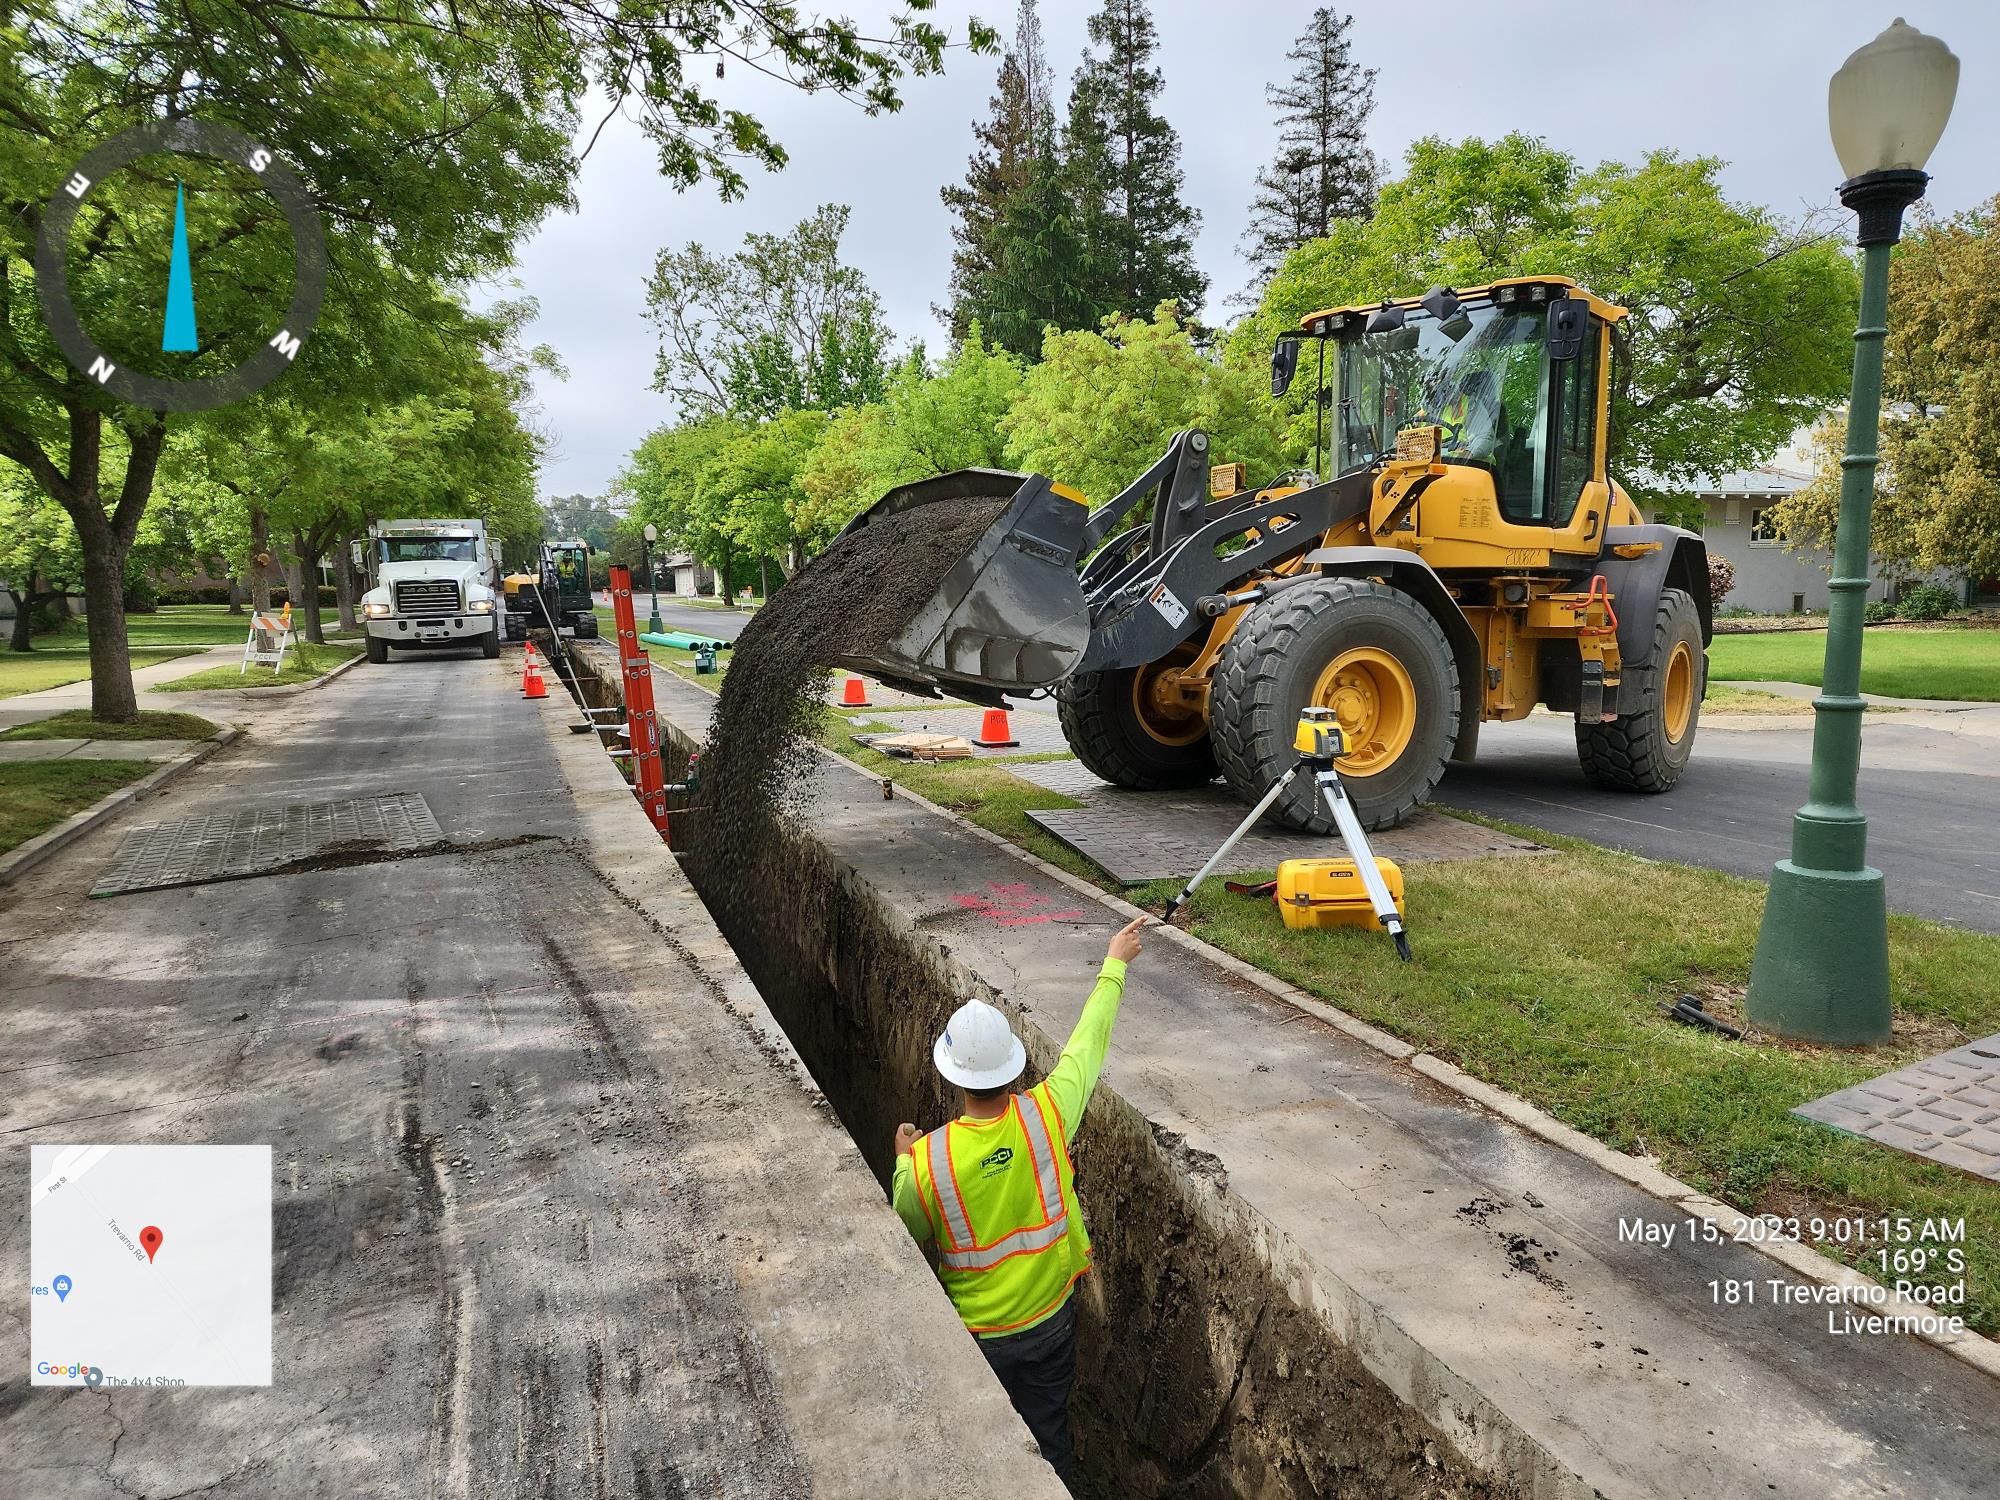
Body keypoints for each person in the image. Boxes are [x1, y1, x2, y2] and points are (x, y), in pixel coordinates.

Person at [891, 913, 1148, 1493]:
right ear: (1013, 1066)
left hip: (978, 1337)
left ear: (953, 1077)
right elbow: (1088, 1046)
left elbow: (904, 1231)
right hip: (1051, 1322)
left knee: (978, 1452)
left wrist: (903, 1159)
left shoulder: (929, 1162)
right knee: (1049, 1440)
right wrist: (1113, 965)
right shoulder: (1047, 1115)